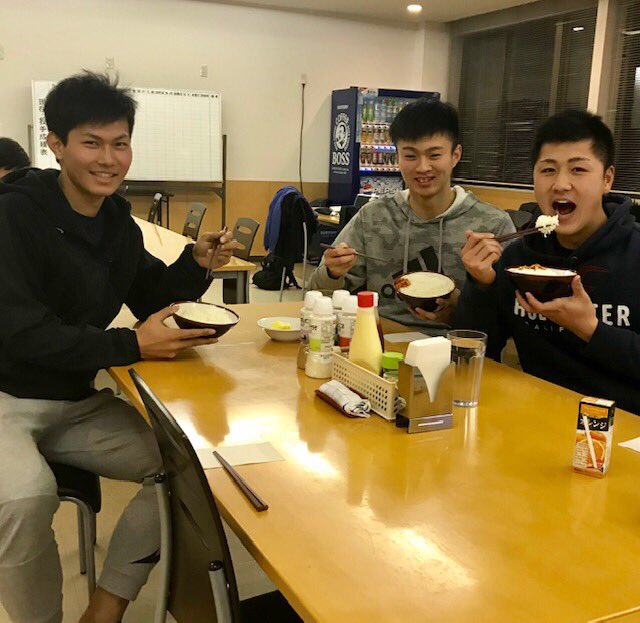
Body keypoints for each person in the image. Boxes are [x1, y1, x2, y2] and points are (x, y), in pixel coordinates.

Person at [0, 72, 239, 623]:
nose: (108, 159)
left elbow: (153, 294)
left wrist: (196, 262)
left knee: (187, 472)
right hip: (6, 397)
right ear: (56, 144)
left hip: (76, 402)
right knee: (25, 498)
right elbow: (22, 332)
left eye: (120, 143)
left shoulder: (117, 225)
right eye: (92, 142)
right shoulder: (13, 216)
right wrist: (131, 344)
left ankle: (106, 607)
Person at [457, 109, 640, 414]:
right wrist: (481, 285)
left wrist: (591, 329)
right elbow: (477, 354)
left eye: (578, 170)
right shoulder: (519, 259)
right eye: (548, 170)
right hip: (538, 417)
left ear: (607, 179)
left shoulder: (634, 253)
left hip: (622, 427)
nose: (560, 184)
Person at [309, 98, 515, 332]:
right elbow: (318, 295)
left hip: (456, 346)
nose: (422, 167)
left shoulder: (492, 225)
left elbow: (511, 319)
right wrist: (332, 272)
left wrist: (459, 308)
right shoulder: (373, 217)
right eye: (410, 156)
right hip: (380, 343)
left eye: (434, 155)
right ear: (397, 157)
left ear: (455, 155)